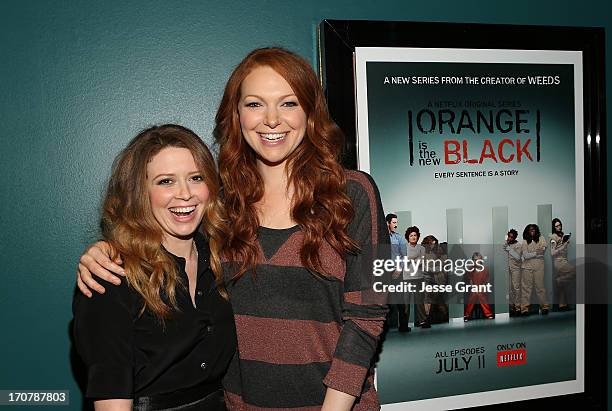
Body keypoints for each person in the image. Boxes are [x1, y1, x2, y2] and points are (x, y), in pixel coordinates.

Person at [75, 48, 388, 410]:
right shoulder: (218, 203)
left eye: (288, 103)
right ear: (235, 115)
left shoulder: (355, 193)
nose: (272, 120)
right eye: (255, 104)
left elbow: (367, 318)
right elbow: (156, 239)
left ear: (310, 112)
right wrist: (106, 251)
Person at [72, 125, 236, 410]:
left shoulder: (226, 259)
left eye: (195, 178)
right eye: (165, 182)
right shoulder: (111, 277)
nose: (185, 194)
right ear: (139, 193)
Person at [386, 213, 410, 332]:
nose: (396, 225)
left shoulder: (399, 238)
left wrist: (399, 269)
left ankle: (404, 326)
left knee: (400, 299)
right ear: (387, 223)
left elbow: (404, 256)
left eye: (396, 222)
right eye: (394, 222)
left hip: (396, 271)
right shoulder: (380, 237)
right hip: (383, 271)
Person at [520, 223, 549, 316]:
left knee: (540, 287)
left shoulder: (541, 238)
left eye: (534, 229)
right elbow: (525, 255)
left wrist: (531, 253)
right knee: (526, 288)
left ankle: (544, 307)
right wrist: (536, 252)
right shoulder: (525, 241)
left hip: (539, 266)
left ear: (536, 230)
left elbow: (543, 251)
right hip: (527, 267)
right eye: (530, 229)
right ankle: (524, 309)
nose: (532, 230)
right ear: (527, 231)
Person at [404, 226, 427, 328]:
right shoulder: (403, 248)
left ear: (418, 237)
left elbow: (421, 262)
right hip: (406, 279)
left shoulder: (422, 248)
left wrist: (409, 259)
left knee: (419, 301)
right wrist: (413, 258)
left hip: (418, 277)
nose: (413, 237)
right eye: (411, 235)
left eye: (415, 235)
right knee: (406, 303)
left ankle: (422, 321)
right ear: (407, 237)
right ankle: (404, 325)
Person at [550, 218, 574, 311]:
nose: (558, 227)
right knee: (575, 271)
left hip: (564, 260)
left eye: (559, 225)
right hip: (559, 262)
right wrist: (563, 246)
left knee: (563, 286)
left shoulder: (562, 235)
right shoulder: (553, 237)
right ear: (553, 227)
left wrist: (565, 243)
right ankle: (559, 280)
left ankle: (562, 305)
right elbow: (552, 253)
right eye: (556, 226)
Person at [463, 252, 494, 321]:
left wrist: (480, 288)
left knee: (480, 294)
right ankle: (488, 314)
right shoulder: (470, 269)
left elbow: (486, 282)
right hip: (473, 288)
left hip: (482, 288)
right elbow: (470, 281)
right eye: (474, 260)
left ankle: (466, 315)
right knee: (475, 294)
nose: (476, 261)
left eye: (477, 259)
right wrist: (474, 287)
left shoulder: (485, 269)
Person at [503, 229, 522, 316]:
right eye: (509, 236)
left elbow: (518, 257)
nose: (510, 238)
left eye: (512, 237)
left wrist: (509, 249)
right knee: (509, 288)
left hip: (516, 269)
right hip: (507, 269)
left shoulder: (518, 245)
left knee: (516, 288)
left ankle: (518, 307)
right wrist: (506, 242)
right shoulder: (507, 244)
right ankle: (511, 307)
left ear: (515, 237)